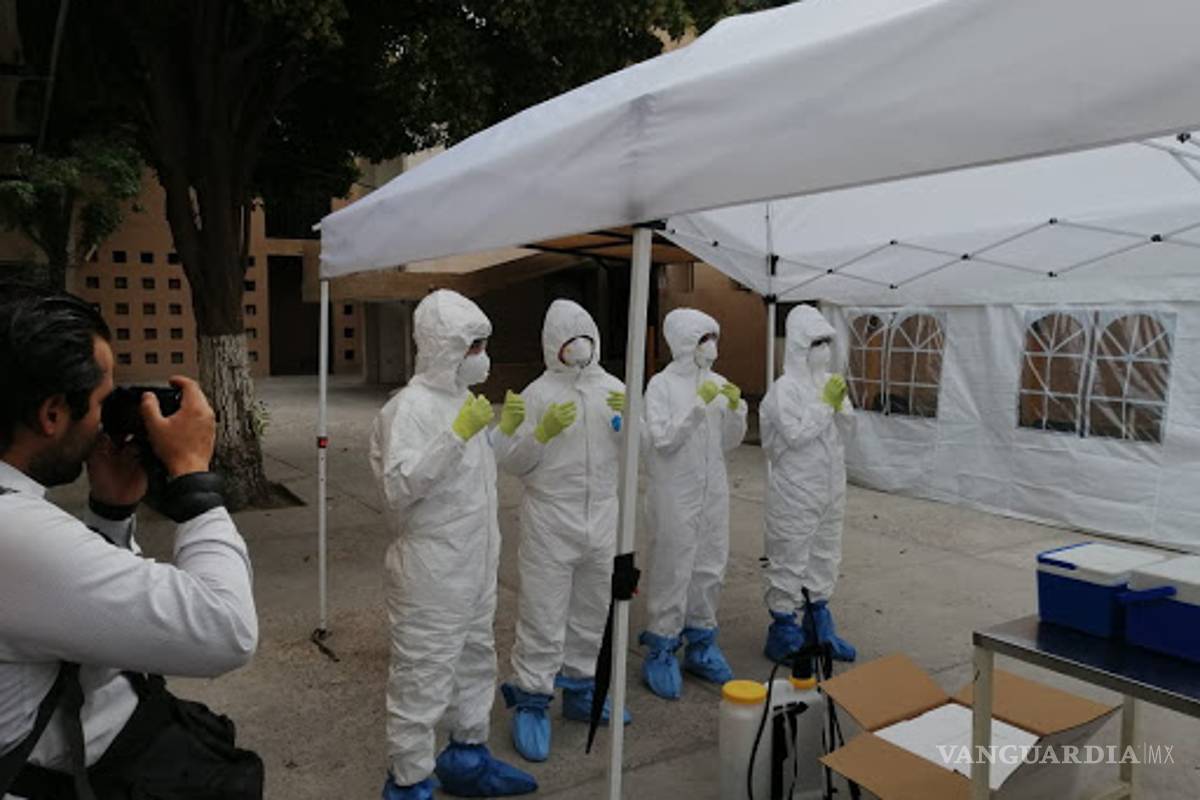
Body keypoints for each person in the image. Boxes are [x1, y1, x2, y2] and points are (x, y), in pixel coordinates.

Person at [0, 288, 261, 799]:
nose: (106, 419)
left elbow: (90, 614)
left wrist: (112, 510)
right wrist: (194, 481)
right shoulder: (13, 533)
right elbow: (225, 631)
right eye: (103, 399)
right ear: (52, 414)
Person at [369, 289, 537, 800]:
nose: (481, 356)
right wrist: (456, 437)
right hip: (431, 570)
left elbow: (472, 476)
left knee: (474, 660)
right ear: (445, 347)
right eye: (473, 345)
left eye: (484, 344)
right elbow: (399, 488)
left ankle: (467, 757)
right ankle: (410, 781)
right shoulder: (408, 409)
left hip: (473, 564)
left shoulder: (465, 404)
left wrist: (499, 434)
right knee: (422, 674)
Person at [493, 299, 630, 763]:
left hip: (603, 516)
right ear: (554, 345)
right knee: (543, 611)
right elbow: (512, 461)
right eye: (569, 340)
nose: (579, 347)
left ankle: (583, 688)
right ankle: (532, 699)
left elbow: (644, 456)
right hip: (552, 517)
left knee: (593, 609)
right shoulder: (537, 394)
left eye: (585, 336)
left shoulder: (614, 388)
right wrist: (541, 432)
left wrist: (629, 425)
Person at [639, 308, 747, 700]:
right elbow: (661, 440)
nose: (712, 346)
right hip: (674, 490)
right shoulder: (661, 386)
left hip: (712, 489)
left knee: (709, 565)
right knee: (673, 565)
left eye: (714, 337)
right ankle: (663, 645)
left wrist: (736, 408)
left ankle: (702, 640)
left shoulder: (719, 383)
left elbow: (731, 441)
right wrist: (696, 409)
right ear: (684, 342)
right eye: (704, 338)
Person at [760, 304, 856, 664]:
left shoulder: (828, 383)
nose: (824, 351)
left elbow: (846, 432)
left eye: (827, 342)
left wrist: (841, 407)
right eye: (816, 343)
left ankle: (819, 625)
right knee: (789, 555)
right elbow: (796, 435)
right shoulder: (785, 389)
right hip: (795, 489)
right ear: (800, 347)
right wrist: (825, 407)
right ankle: (784, 630)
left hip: (830, 485)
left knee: (825, 553)